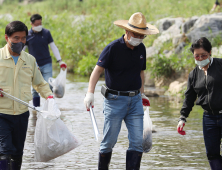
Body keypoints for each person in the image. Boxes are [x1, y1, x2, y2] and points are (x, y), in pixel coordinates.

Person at [84, 12, 159, 169]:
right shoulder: (112, 48)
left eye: (142, 35)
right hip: (114, 101)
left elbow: (141, 72)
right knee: (109, 142)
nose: (139, 38)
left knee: (137, 142)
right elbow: (97, 71)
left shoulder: (141, 49)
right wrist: (90, 93)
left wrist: (143, 92)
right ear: (127, 31)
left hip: (135, 101)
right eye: (136, 34)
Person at [0, 21, 53, 169]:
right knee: (4, 151)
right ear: (7, 38)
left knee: (17, 153)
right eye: (16, 38)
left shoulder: (30, 60)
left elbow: (39, 83)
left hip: (22, 114)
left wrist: (49, 97)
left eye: (23, 38)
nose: (20, 42)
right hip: (1, 114)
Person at [177, 37, 222, 170]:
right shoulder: (194, 74)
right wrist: (182, 118)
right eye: (197, 56)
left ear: (210, 53)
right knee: (212, 154)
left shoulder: (220, 66)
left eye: (204, 55)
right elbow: (189, 97)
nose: (201, 58)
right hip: (209, 118)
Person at [23, 14, 67, 107]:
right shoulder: (27, 35)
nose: (39, 25)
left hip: (46, 63)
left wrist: (60, 61)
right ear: (31, 24)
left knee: (48, 86)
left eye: (40, 23)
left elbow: (53, 47)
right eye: (37, 24)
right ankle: (37, 110)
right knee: (34, 89)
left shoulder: (46, 33)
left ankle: (50, 108)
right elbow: (22, 49)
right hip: (33, 65)